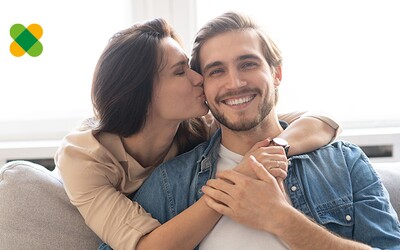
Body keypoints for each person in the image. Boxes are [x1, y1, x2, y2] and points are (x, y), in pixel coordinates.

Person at [54, 18, 342, 250]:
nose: (199, 78)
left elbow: (322, 122)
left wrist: (275, 147)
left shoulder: (199, 126)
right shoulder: (83, 159)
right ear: (141, 93)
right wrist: (243, 174)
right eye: (181, 72)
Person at [128, 11, 400, 249]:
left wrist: (282, 220)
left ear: (276, 74)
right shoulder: (172, 181)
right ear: (204, 89)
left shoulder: (344, 162)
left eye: (248, 64)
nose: (235, 83)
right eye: (216, 71)